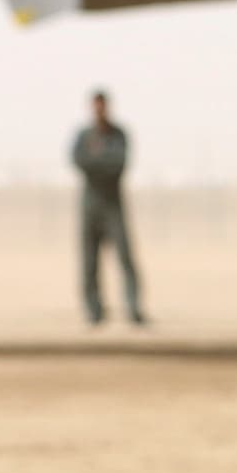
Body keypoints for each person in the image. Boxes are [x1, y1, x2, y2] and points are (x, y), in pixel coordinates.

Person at [71, 90, 144, 327]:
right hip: (90, 204)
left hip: (113, 205)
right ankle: (94, 310)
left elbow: (118, 163)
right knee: (89, 261)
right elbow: (79, 161)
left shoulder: (118, 135)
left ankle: (133, 307)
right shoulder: (84, 136)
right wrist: (99, 162)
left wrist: (97, 161)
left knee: (125, 256)